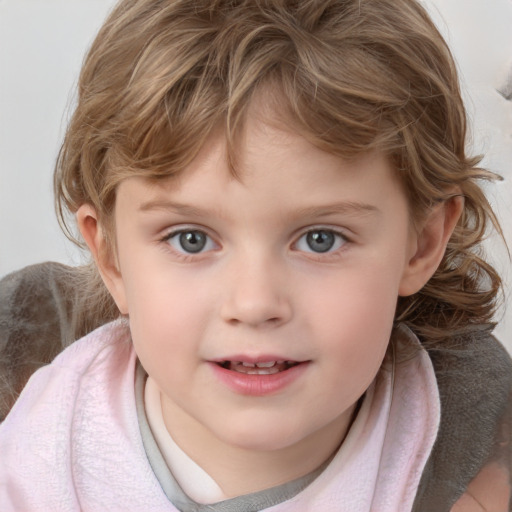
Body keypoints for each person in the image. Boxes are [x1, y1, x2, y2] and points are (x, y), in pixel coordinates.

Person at [0, 0, 510, 510]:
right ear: (110, 258)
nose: (254, 302)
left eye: (320, 239)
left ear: (420, 244)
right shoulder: (32, 454)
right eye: (191, 239)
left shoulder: (470, 473)